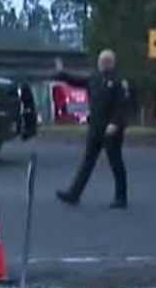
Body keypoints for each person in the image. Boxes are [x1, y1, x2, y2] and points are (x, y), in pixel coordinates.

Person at [54, 49, 130, 209]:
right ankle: (74, 194)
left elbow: (122, 105)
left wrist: (116, 123)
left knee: (115, 162)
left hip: (111, 129)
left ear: (112, 63)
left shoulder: (119, 81)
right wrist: (62, 73)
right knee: (87, 161)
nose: (102, 63)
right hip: (96, 127)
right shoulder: (94, 78)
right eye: (101, 61)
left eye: (106, 61)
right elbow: (76, 81)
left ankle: (121, 197)